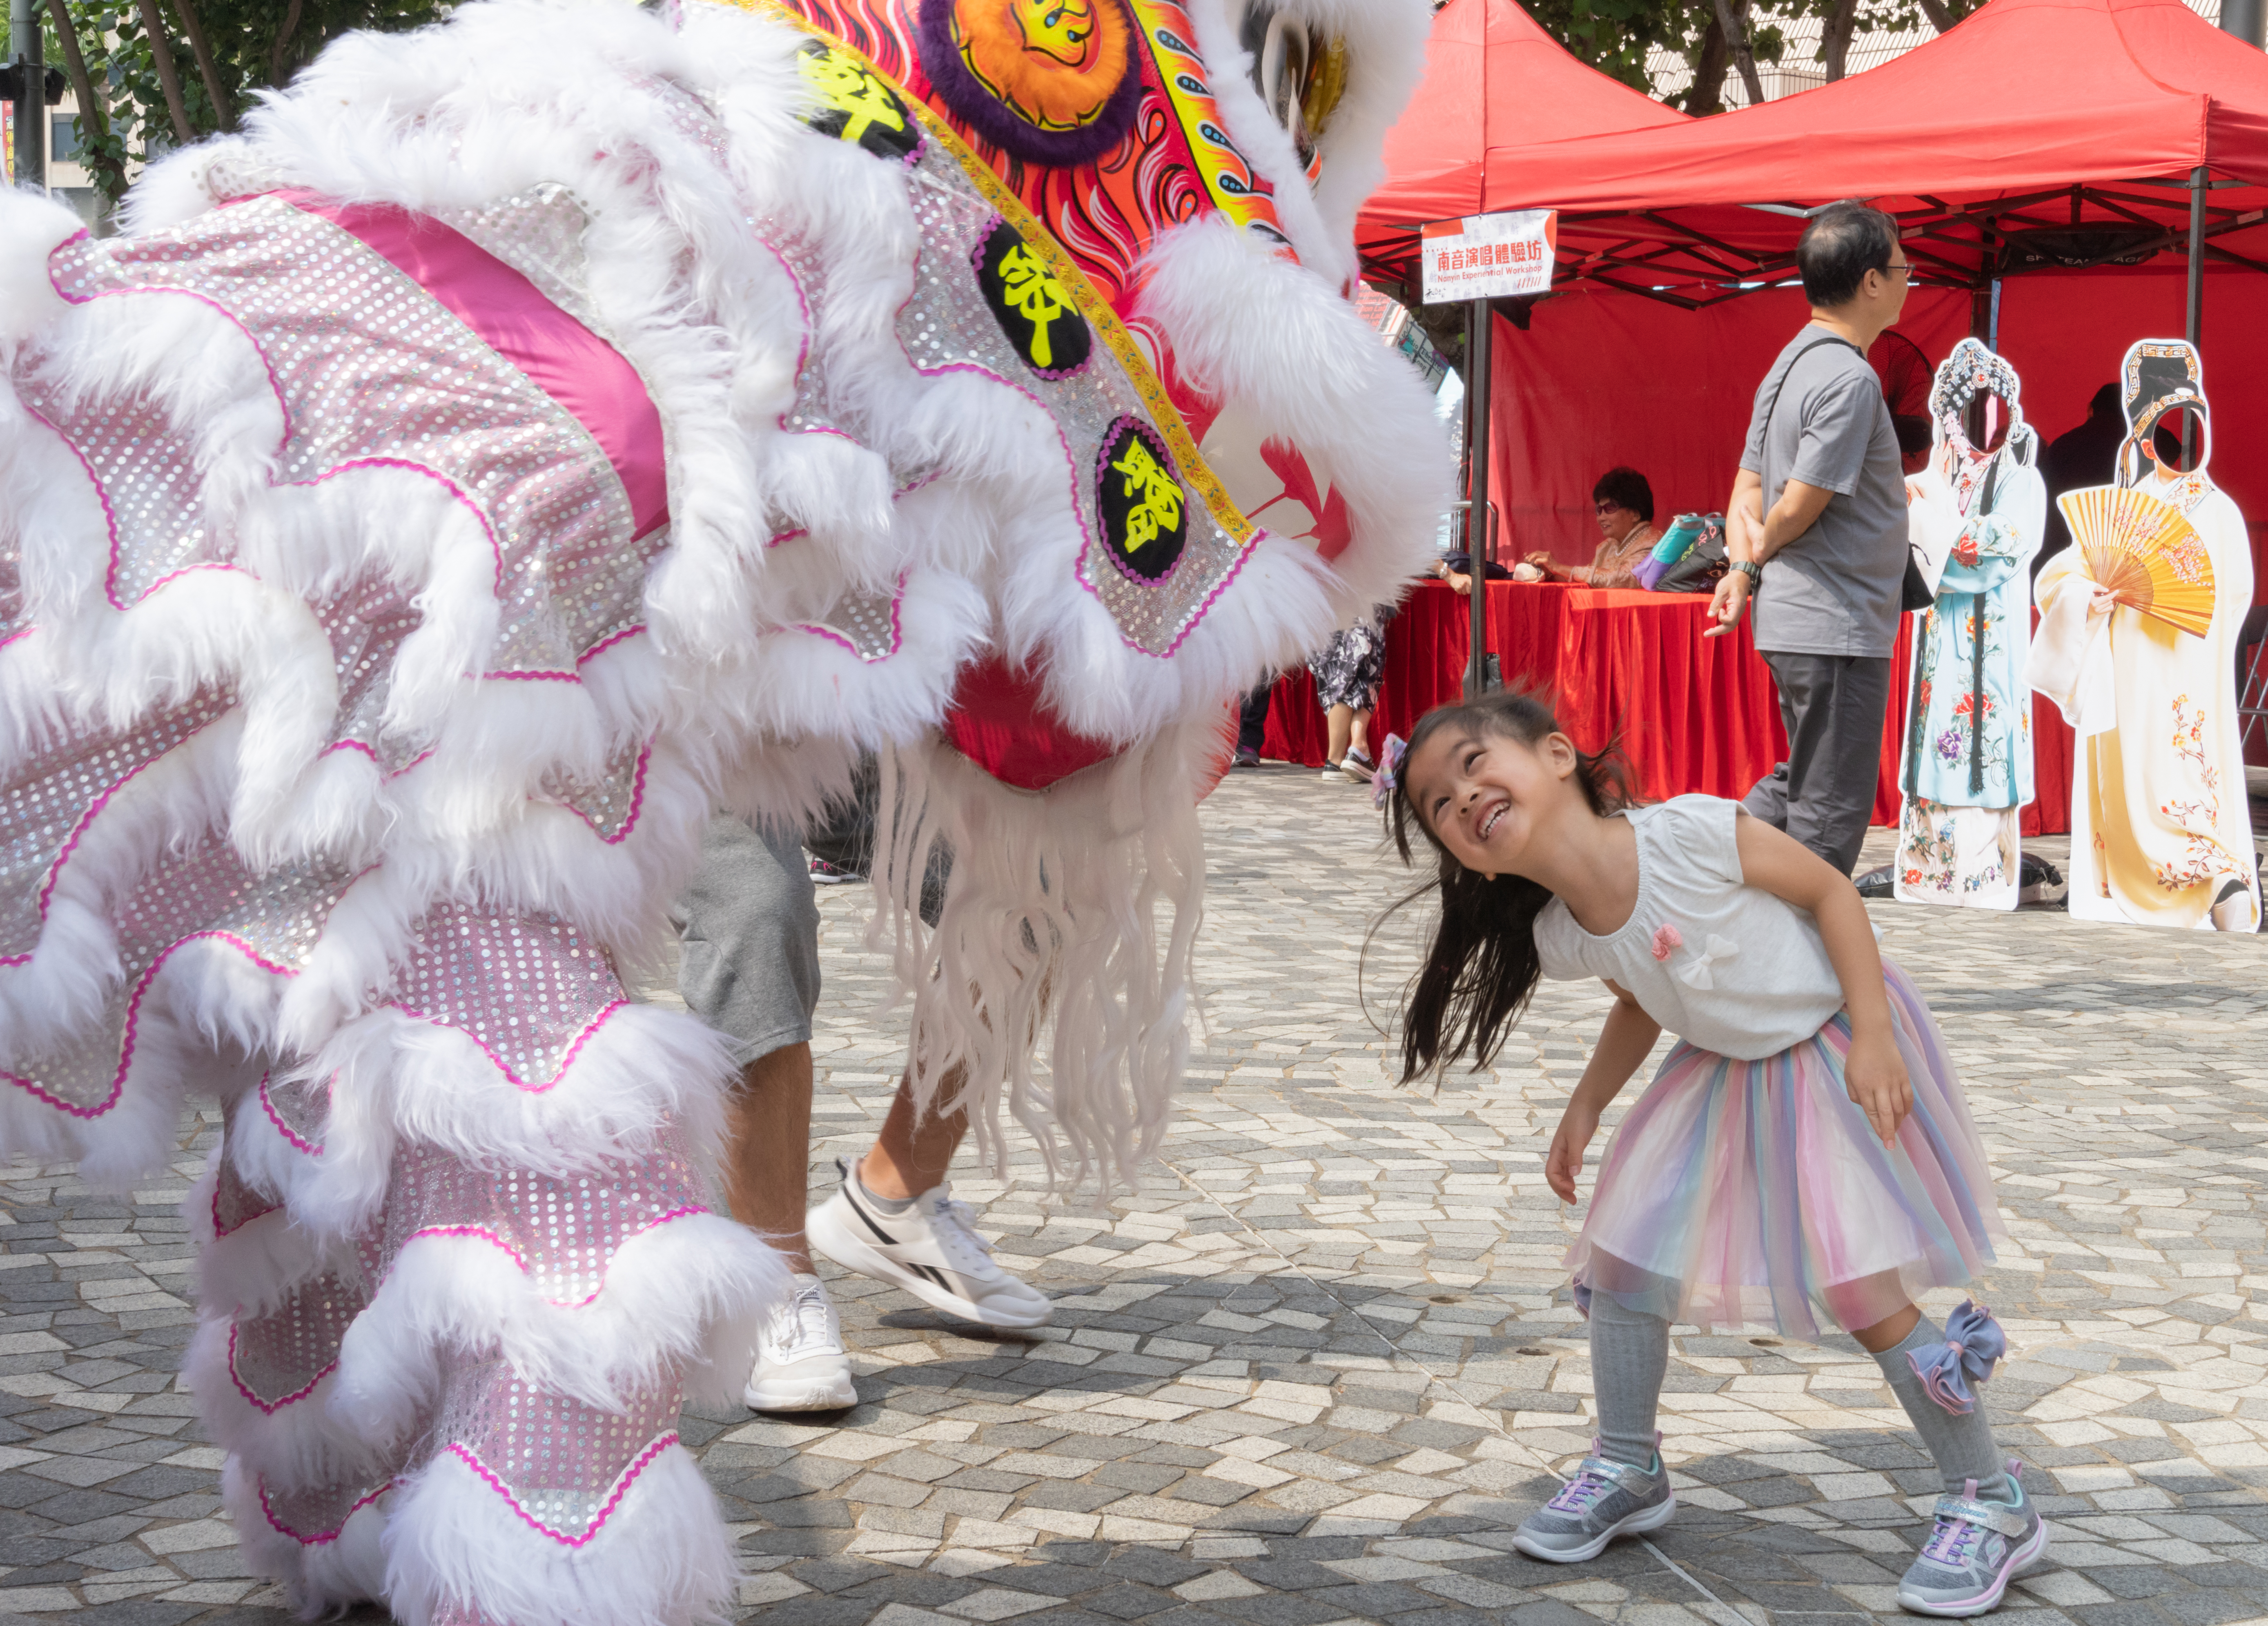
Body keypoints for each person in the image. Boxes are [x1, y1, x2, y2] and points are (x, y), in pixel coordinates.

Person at [1378, 689, 2044, 1617]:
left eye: (1473, 761)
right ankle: (1628, 1460)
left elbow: (1827, 890)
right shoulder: (1559, 931)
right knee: (1622, 1258)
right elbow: (1645, 990)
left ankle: (1988, 1493)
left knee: (1861, 1287)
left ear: (1559, 754)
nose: (1462, 797)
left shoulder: (1688, 832)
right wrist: (1586, 1103)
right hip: (1721, 1067)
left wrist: (1877, 1033)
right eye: (1437, 805)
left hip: (1829, 1044)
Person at [674, 763, 1052, 1413]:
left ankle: (893, 1197)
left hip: (837, 713)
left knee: (1031, 903)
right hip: (691, 723)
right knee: (758, 912)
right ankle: (774, 1280)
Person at [1709, 199, 1913, 876]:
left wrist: (1741, 570)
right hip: (1836, 624)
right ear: (1870, 283)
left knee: (1799, 785)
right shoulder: (1849, 378)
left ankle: (1701, 854)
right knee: (1826, 817)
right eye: (1899, 263)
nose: (1908, 274)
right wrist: (1753, 559)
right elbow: (1795, 504)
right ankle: (1787, 954)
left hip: (1800, 622)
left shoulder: (1788, 363)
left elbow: (1745, 492)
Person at [2030, 339, 2261, 933]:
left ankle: (2206, 874)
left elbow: (2223, 599)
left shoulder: (2212, 510)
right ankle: (2195, 878)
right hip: (2142, 662)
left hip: (2175, 667)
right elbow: (2067, 571)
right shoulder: (2140, 502)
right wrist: (2090, 596)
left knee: (2170, 770)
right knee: (2141, 770)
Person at [1894, 341, 2044, 909]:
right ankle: (1931, 873)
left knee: (1980, 743)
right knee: (1934, 737)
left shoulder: (2017, 476)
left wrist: (1936, 528)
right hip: (1940, 628)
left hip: (1988, 633)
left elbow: (2004, 542)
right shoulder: (1943, 475)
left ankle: (1981, 875)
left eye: (1985, 404)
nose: (1970, 422)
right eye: (1962, 408)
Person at [1514, 468, 1662, 588]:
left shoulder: (1654, 544)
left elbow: (1622, 579)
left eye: (1610, 508)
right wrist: (1550, 574)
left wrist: (1558, 567)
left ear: (1635, 514)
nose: (1601, 517)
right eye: (1599, 510)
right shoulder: (1607, 547)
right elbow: (1587, 582)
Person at [2033, 382, 2123, 579]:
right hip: (2122, 554)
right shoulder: (2145, 448)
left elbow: (2044, 505)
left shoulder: (2063, 446)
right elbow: (2175, 447)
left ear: (2091, 409)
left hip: (2067, 553)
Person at [1308, 614, 1388, 782]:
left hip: (1325, 602)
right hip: (1360, 597)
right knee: (1363, 670)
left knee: (1339, 674)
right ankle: (1357, 749)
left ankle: (1338, 759)